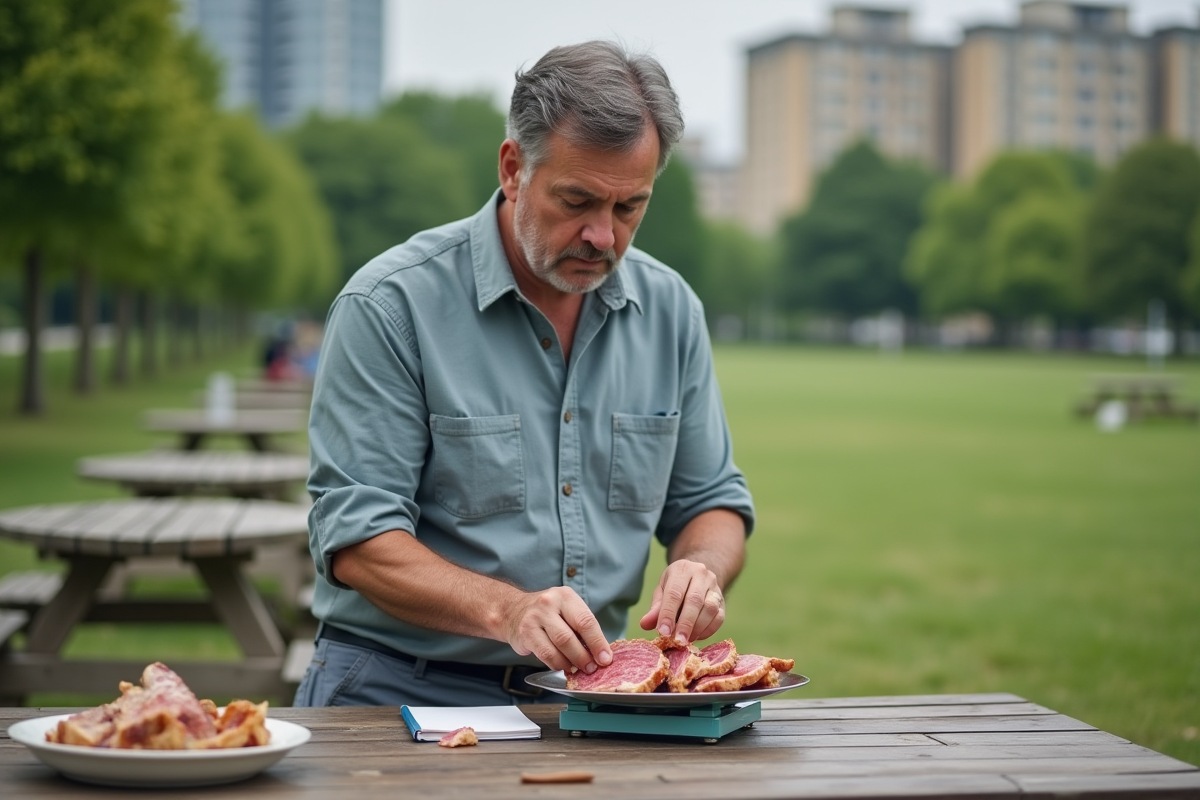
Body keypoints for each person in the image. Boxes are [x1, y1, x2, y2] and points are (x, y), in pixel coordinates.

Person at [293, 40, 754, 708]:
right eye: (578, 200)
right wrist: (507, 612)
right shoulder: (390, 305)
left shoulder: (672, 308)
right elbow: (359, 542)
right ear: (514, 168)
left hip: (592, 699)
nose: (603, 235)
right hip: (395, 689)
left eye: (629, 208)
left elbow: (711, 500)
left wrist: (700, 568)